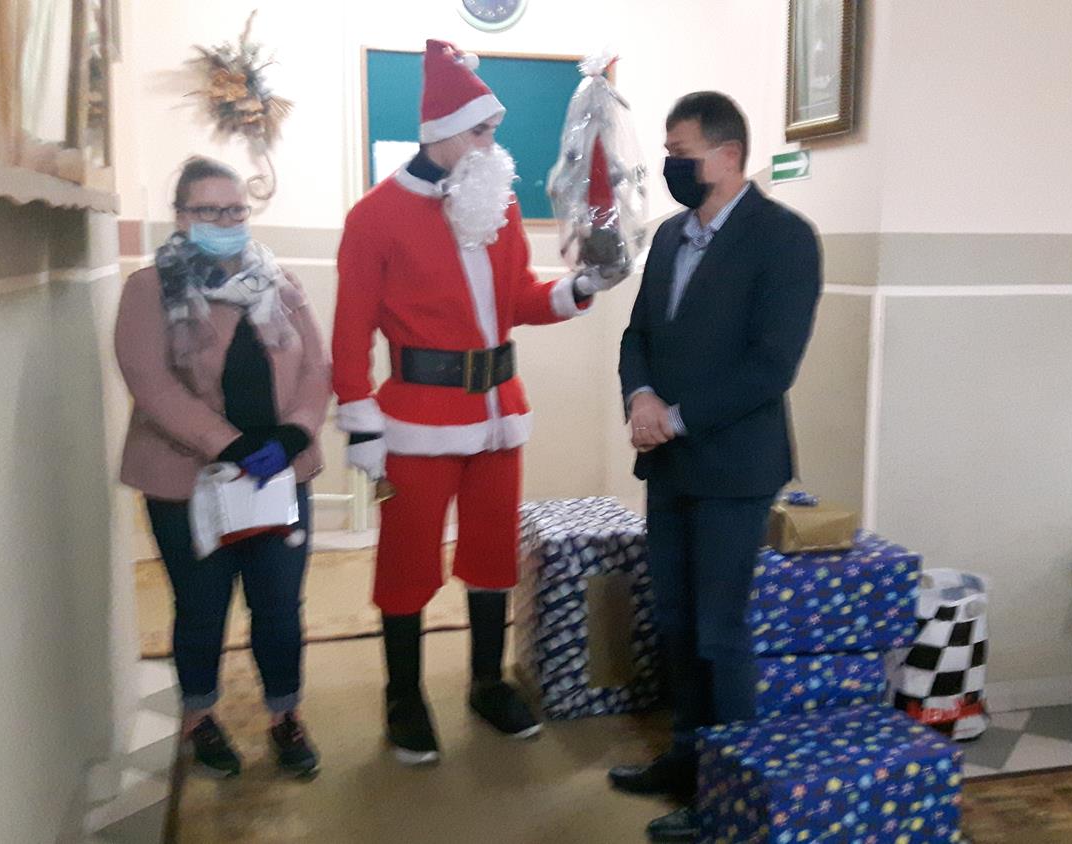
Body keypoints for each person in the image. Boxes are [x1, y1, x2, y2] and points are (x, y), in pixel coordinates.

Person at [332, 39, 627, 766]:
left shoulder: (497, 201)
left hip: (498, 414)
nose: (492, 144)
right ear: (439, 131)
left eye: (493, 131)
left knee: (493, 554)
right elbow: (350, 330)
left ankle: (487, 683)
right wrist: (360, 419)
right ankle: (403, 695)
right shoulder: (374, 217)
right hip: (417, 419)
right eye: (480, 131)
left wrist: (577, 289)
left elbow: (518, 298)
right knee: (407, 559)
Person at [609, 92, 822, 841]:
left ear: (728, 157)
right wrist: (639, 396)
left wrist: (674, 417)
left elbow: (771, 366)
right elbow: (638, 334)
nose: (670, 165)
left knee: (719, 632)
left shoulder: (785, 239)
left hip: (735, 468)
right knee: (673, 622)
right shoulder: (670, 236)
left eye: (682, 153)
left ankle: (727, 797)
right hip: (669, 466)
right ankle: (686, 758)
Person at [114, 157, 330, 780]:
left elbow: (317, 366)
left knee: (280, 604)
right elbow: (151, 383)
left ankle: (285, 713)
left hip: (278, 476)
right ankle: (199, 716)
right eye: (209, 210)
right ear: (182, 217)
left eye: (235, 210)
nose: (226, 221)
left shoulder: (280, 283)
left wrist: (296, 433)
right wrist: (228, 444)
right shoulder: (149, 289)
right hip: (189, 481)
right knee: (202, 606)